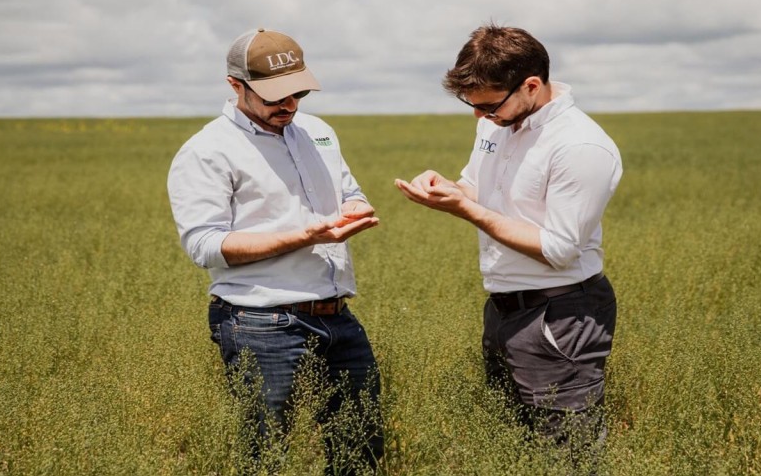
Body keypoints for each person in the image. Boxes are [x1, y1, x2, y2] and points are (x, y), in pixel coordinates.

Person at [395, 24, 622, 466]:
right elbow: (478, 189)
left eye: (489, 105)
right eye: (472, 106)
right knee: (514, 444)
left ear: (532, 85)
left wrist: (464, 210)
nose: (481, 117)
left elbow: (558, 248)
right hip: (503, 310)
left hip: (561, 315)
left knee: (568, 455)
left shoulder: (580, 145)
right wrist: (448, 190)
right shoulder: (499, 124)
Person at [167, 27, 383, 472]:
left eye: (297, 92)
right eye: (273, 97)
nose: (288, 105)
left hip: (337, 317)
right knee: (265, 458)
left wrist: (355, 208)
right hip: (260, 324)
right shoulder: (207, 151)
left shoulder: (318, 131)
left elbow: (348, 190)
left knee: (360, 450)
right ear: (235, 86)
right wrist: (307, 236)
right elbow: (205, 245)